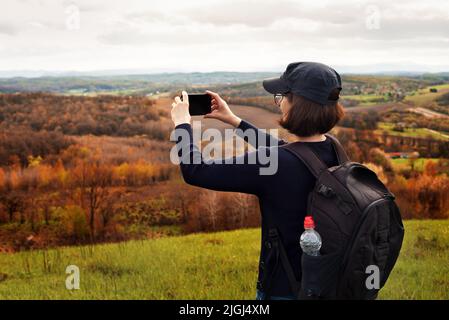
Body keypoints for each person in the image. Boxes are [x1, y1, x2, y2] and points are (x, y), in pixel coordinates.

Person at [171, 62, 345, 300]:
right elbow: (286, 151)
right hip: (328, 284)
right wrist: (234, 121)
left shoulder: (277, 164)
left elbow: (195, 171)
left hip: (285, 289)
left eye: (282, 96)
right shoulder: (333, 149)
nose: (280, 102)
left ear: (298, 104)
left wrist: (182, 125)